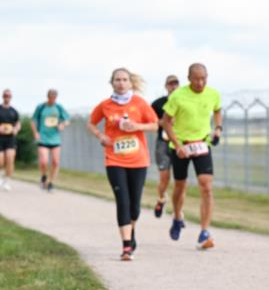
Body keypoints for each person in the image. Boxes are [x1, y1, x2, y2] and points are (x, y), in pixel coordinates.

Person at [88, 68, 159, 261]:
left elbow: (155, 124)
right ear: (112, 83)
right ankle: (126, 246)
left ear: (130, 83)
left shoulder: (139, 103)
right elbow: (91, 123)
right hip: (114, 159)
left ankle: (131, 232)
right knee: (123, 202)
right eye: (117, 80)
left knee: (134, 206)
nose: (120, 83)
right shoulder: (105, 105)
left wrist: (138, 127)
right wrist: (100, 135)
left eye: (124, 79)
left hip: (138, 160)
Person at [162, 63, 222, 249]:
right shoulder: (178, 96)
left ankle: (204, 232)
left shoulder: (213, 93)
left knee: (206, 186)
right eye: (196, 79)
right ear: (189, 78)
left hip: (202, 144)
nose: (200, 82)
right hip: (181, 146)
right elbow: (166, 122)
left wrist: (218, 129)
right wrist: (178, 145)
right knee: (180, 185)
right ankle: (178, 216)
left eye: (203, 78)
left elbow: (217, 110)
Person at [150, 75, 179, 217]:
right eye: (170, 84)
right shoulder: (158, 103)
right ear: (166, 86)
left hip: (179, 143)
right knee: (164, 177)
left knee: (180, 179)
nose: (173, 86)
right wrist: (164, 122)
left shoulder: (184, 102)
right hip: (163, 142)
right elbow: (150, 121)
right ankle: (161, 199)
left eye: (176, 84)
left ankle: (177, 210)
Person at [30, 89, 70, 192]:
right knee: (44, 161)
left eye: (54, 98)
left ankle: (51, 182)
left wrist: (62, 124)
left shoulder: (58, 107)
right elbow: (33, 121)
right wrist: (35, 133)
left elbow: (67, 120)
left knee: (55, 162)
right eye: (51, 97)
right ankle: (43, 176)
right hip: (43, 137)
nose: (52, 99)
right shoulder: (41, 107)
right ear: (47, 97)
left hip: (55, 138)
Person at [0, 89, 21, 190]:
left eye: (9, 96)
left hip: (10, 138)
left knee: (10, 158)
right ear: (3, 96)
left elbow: (18, 123)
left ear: (11, 97)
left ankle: (6, 180)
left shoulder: (14, 111)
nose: (7, 97)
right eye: (6, 95)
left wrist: (16, 129)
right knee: (0, 161)